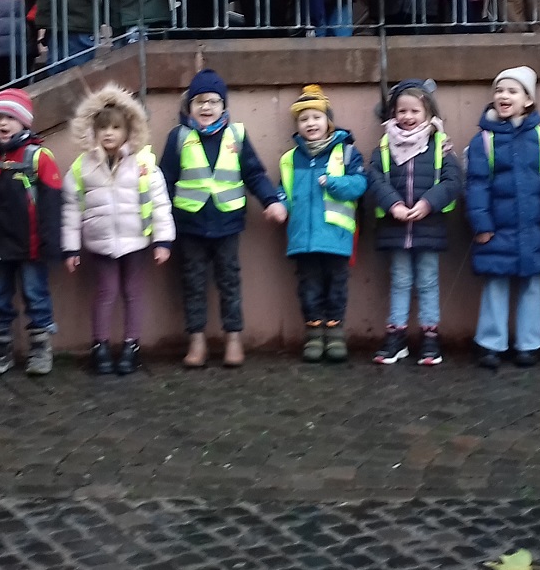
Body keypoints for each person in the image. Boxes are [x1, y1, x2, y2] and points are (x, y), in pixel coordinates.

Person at [159, 68, 288, 368]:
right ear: (189, 106)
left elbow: (254, 174)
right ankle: (196, 341)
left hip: (227, 223)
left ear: (223, 106)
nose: (206, 107)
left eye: (213, 101)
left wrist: (271, 201)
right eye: (199, 101)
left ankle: (233, 339)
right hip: (190, 224)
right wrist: (160, 221)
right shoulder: (179, 137)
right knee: (192, 283)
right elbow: (164, 180)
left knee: (229, 282)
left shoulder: (236, 135)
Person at [63, 85, 174, 377]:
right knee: (105, 292)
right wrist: (70, 248)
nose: (109, 134)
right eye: (103, 128)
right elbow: (71, 209)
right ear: (93, 131)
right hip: (100, 242)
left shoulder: (144, 164)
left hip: (136, 240)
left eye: (116, 128)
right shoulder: (81, 167)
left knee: (133, 293)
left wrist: (163, 241)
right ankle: (99, 346)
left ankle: (130, 346)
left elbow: (160, 203)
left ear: (129, 131)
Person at [466, 66, 540, 369]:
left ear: (528, 100)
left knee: (531, 285)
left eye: (512, 91)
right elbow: (476, 186)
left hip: (533, 229)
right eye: (499, 90)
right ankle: (490, 343)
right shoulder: (483, 140)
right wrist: (481, 224)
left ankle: (530, 343)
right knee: (495, 283)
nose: (503, 96)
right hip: (497, 229)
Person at [365, 79, 461, 366]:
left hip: (428, 226)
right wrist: (393, 205)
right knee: (400, 281)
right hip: (395, 227)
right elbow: (375, 179)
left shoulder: (440, 145)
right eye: (401, 111)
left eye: (414, 111)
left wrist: (427, 204)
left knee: (428, 281)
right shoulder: (384, 146)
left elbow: (453, 180)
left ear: (428, 113)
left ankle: (430, 337)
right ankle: (396, 336)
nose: (407, 117)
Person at [0, 89, 65, 377]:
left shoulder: (39, 157)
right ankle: (0, 351)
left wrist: (51, 243)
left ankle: (40, 350)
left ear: (24, 122)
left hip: (31, 245)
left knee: (35, 296)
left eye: (10, 118)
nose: (3, 123)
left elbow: (52, 203)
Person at [275, 85, 369, 363]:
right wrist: (279, 205)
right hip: (303, 238)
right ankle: (314, 335)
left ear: (328, 121)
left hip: (336, 236)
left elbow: (360, 184)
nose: (310, 123)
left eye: (316, 117)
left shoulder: (347, 152)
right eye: (304, 119)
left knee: (336, 287)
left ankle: (335, 334)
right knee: (309, 288)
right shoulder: (290, 159)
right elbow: (283, 190)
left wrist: (335, 183)